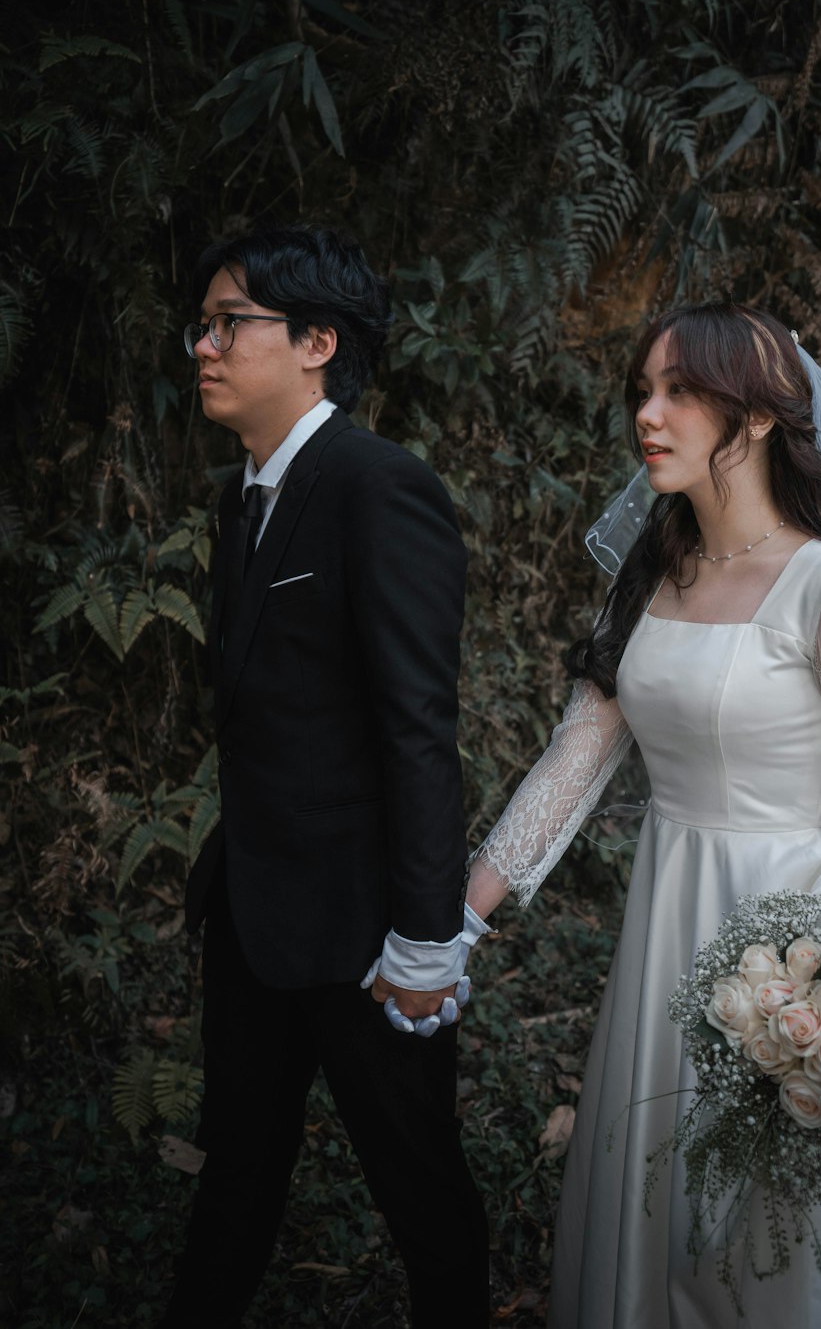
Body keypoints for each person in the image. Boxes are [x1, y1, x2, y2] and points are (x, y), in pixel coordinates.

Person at [465, 303, 821, 1329]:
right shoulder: (648, 580)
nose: (646, 418)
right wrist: (455, 920)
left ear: (751, 420)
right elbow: (572, 764)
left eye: (677, 393)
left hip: (793, 955)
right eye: (640, 393)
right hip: (665, 931)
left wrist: (818, 998)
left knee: (785, 1251)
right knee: (657, 1216)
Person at [161, 224, 489, 1329]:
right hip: (257, 915)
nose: (201, 346)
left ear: (315, 342)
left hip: (363, 932)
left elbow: (415, 728)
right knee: (236, 1176)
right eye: (200, 324)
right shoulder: (242, 497)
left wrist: (425, 937)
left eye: (227, 324)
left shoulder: (378, 489)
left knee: (421, 1193)